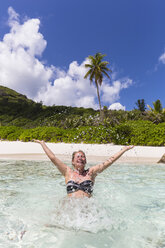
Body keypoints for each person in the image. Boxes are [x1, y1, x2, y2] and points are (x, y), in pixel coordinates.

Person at [33, 140, 134, 198]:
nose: (80, 158)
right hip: (69, 207)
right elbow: (53, 158)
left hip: (88, 208)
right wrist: (42, 143)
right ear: (72, 161)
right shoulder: (67, 172)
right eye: (78, 157)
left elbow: (109, 161)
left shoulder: (91, 172)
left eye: (83, 157)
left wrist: (124, 150)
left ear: (85, 161)